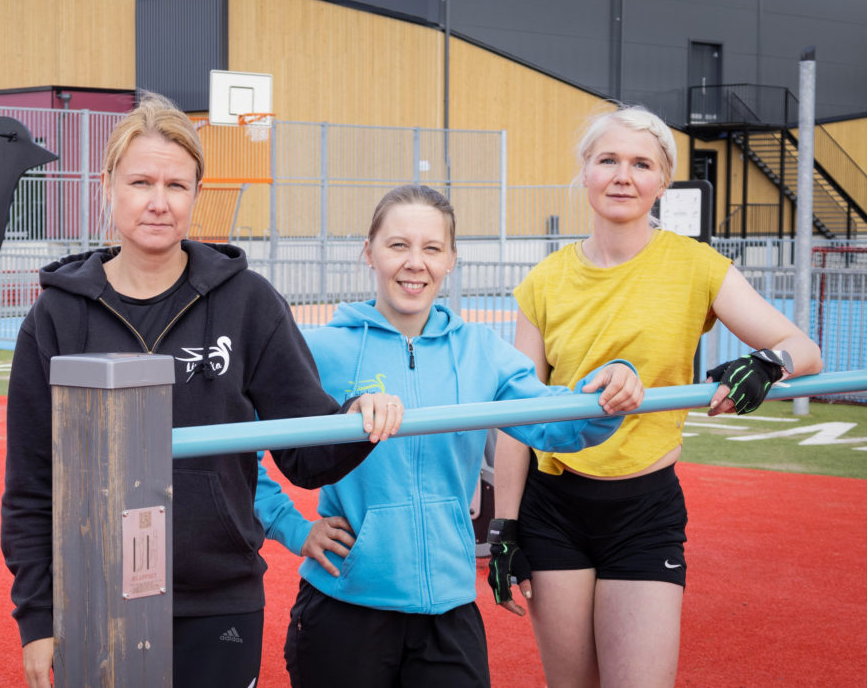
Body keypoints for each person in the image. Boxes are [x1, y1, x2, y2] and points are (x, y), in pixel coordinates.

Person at [0, 92, 403, 688]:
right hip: (93, 596)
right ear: (108, 186)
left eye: (177, 186)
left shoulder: (248, 303)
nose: (159, 203)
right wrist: (37, 617)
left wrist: (357, 419)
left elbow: (306, 455)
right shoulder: (56, 319)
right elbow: (33, 482)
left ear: (196, 194)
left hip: (218, 598)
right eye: (141, 182)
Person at [254, 184, 644, 687]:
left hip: (449, 608)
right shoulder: (322, 349)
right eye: (398, 245)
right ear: (368, 252)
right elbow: (240, 451)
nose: (415, 263)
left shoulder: (481, 350)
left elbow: (556, 425)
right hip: (345, 604)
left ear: (451, 260)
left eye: (432, 248)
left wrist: (610, 388)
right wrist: (292, 527)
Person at [489, 104, 823, 688]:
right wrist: (505, 527)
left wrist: (770, 364)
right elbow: (518, 413)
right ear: (585, 171)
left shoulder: (696, 266)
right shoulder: (543, 281)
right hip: (554, 506)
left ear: (663, 180)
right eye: (608, 160)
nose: (623, 175)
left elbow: (803, 347)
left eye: (641, 163)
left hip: (644, 509)